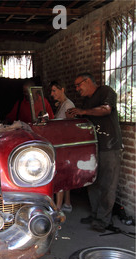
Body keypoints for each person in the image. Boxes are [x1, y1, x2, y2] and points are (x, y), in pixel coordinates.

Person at [67, 72, 123, 232]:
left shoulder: (105, 91)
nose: (77, 89)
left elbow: (106, 110)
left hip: (110, 146)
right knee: (92, 181)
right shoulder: (86, 101)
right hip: (93, 146)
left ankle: (103, 220)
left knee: (107, 184)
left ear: (89, 81)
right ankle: (95, 214)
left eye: (79, 85)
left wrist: (83, 112)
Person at [49, 80, 75, 213]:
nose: (52, 94)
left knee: (60, 175)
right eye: (52, 91)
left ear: (62, 89)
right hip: (62, 143)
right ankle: (67, 203)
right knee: (65, 174)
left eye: (54, 90)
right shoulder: (62, 105)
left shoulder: (68, 105)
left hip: (65, 144)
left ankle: (58, 208)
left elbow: (70, 126)